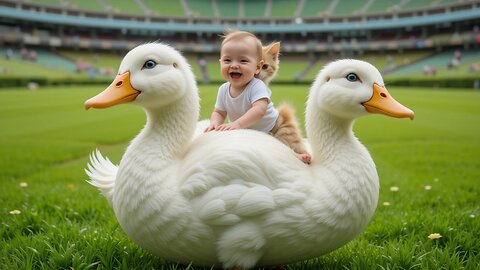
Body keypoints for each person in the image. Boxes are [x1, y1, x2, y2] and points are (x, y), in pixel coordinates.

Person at [204, 30, 311, 163]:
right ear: (220, 62)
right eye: (227, 60)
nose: (234, 65)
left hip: (273, 127)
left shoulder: (257, 86)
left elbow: (259, 110)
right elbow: (219, 112)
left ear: (257, 67)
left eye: (243, 60)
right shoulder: (223, 89)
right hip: (246, 130)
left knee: (279, 147)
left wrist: (237, 123)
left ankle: (295, 155)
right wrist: (215, 123)